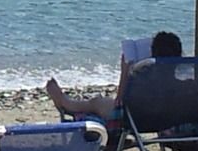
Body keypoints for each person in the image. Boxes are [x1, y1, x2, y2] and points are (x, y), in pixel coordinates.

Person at [45, 31, 184, 120]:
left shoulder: (144, 77)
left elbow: (121, 100)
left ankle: (66, 103)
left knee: (98, 102)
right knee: (101, 102)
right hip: (167, 118)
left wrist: (126, 68)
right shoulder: (184, 85)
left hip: (136, 118)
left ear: (152, 53)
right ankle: (69, 102)